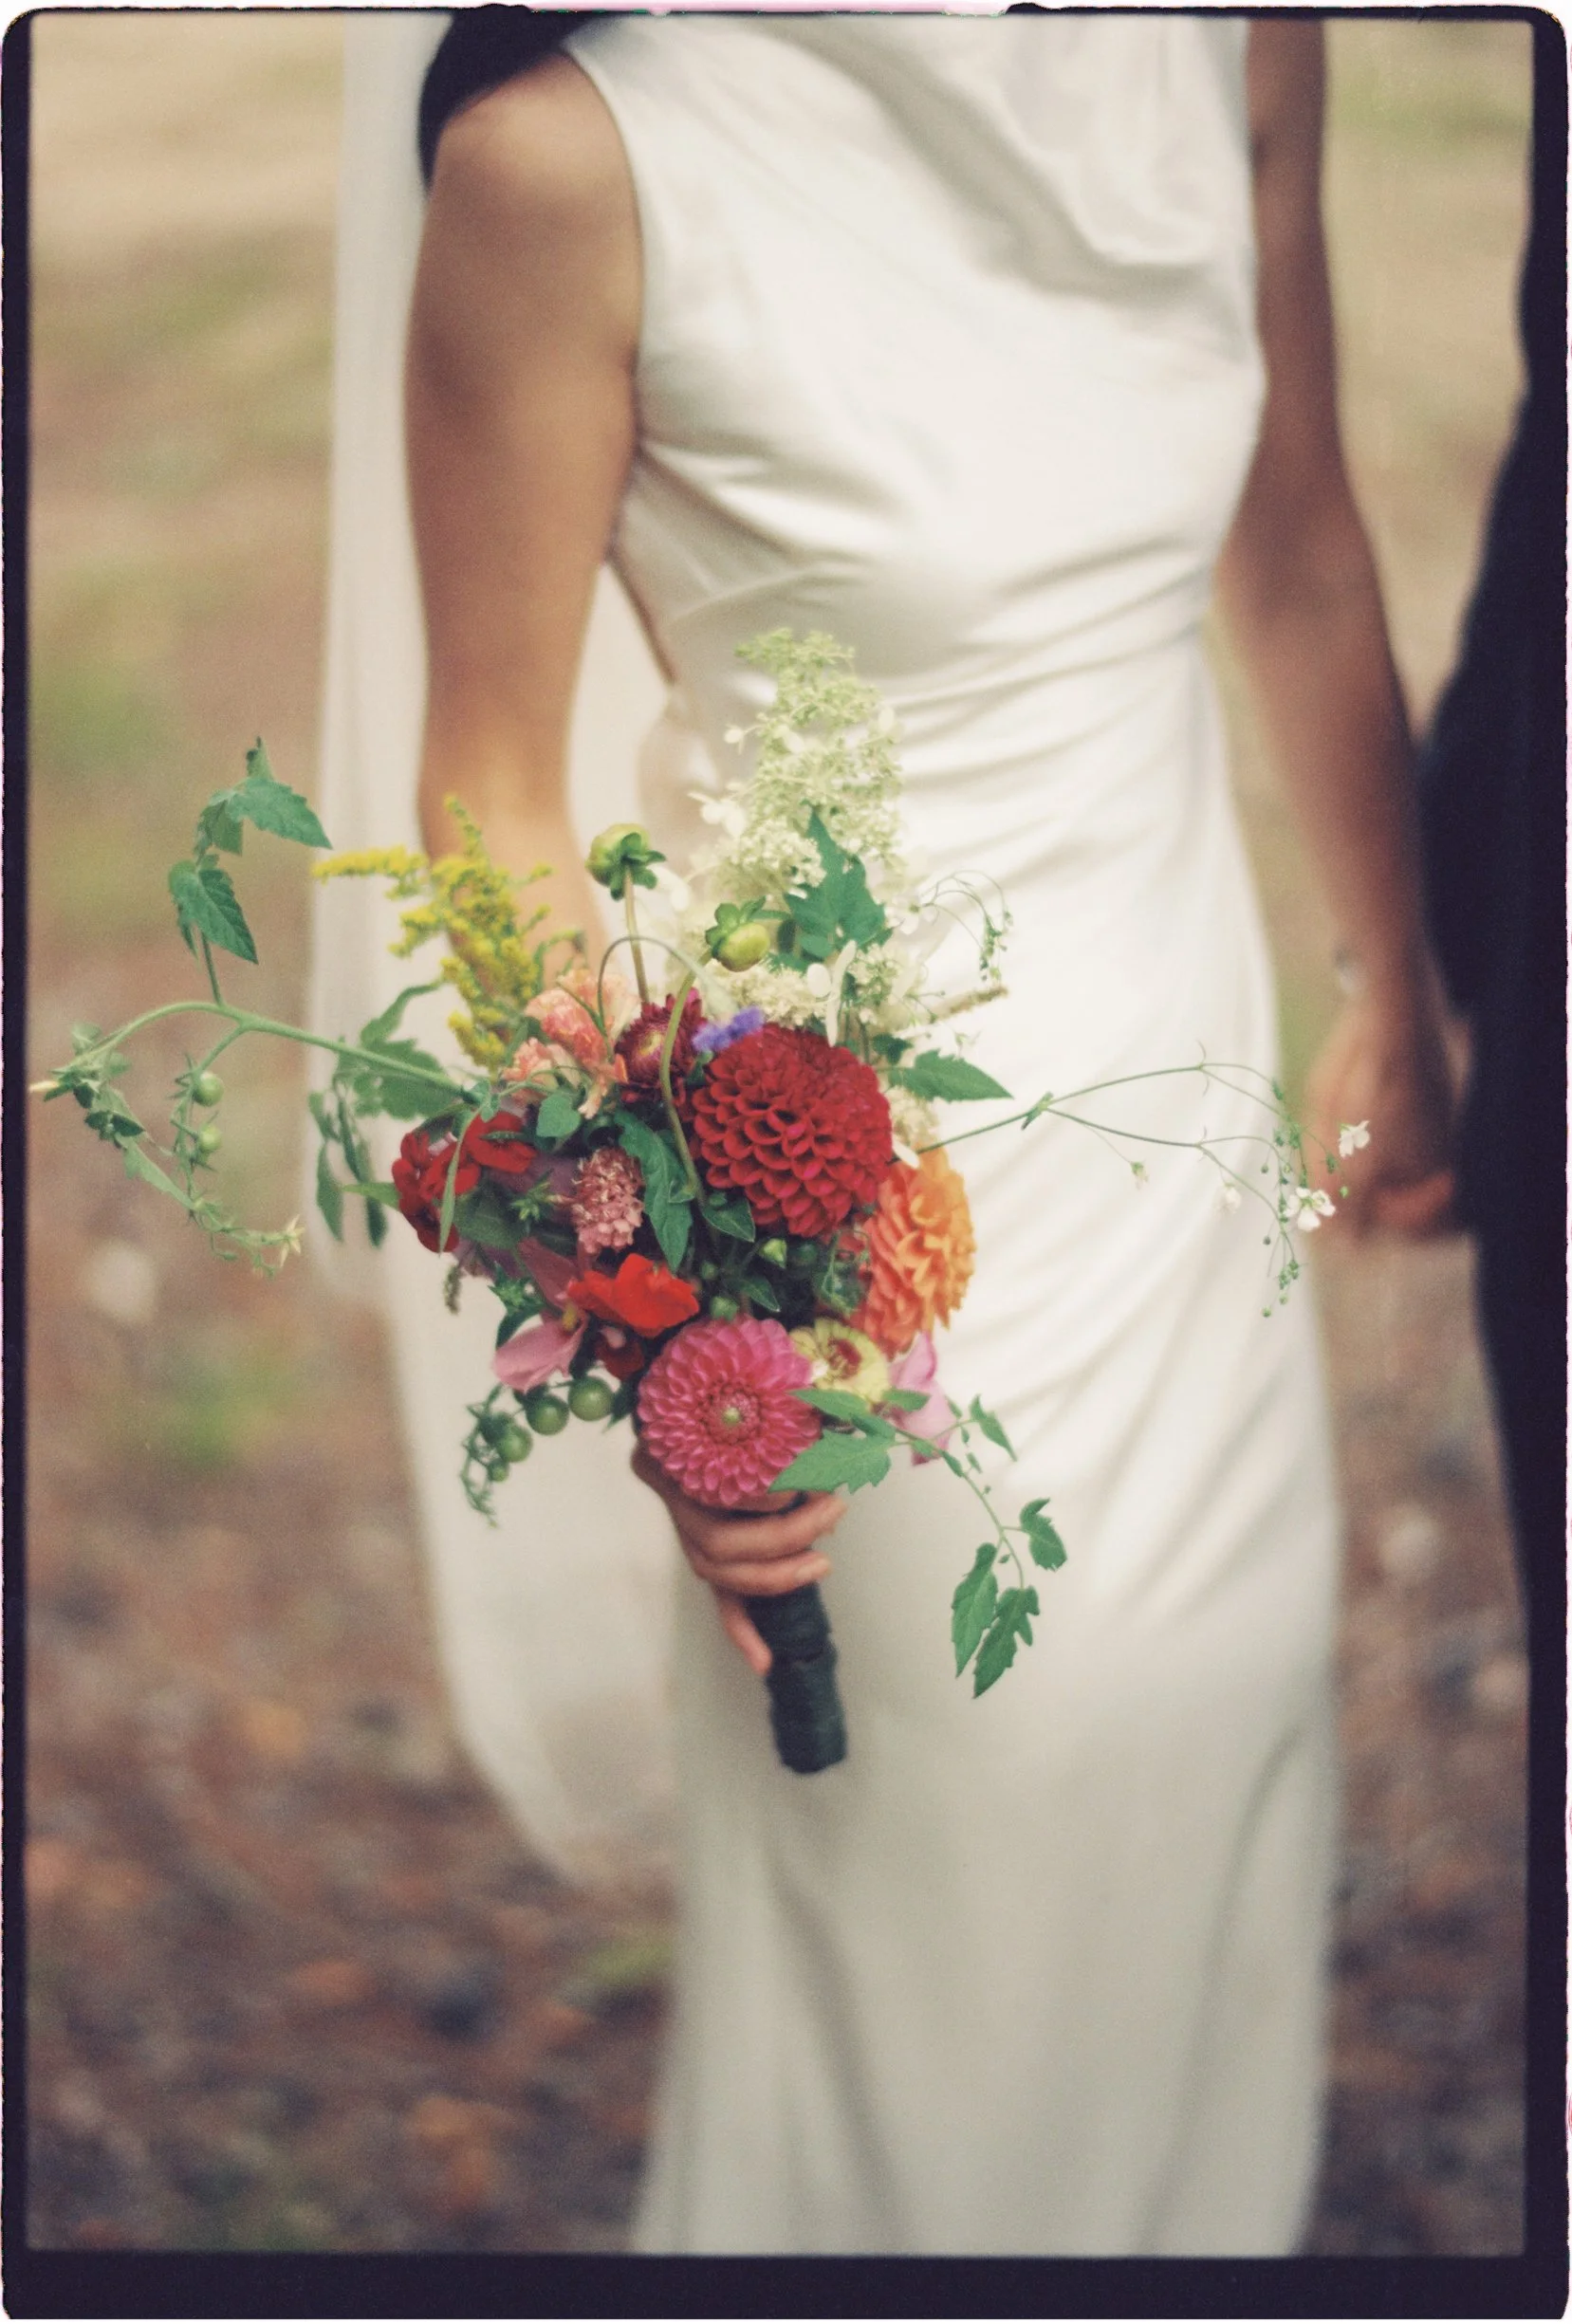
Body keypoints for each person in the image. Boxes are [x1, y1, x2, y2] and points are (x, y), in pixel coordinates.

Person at [314, 10, 1454, 2254]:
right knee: (949, 1920)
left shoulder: (1238, 34)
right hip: (852, 1221)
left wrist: (1397, 980)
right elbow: (494, 786)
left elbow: (1300, 543)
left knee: (1210, 1785)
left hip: (1181, 1127)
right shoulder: (568, 160)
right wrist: (666, 1311)